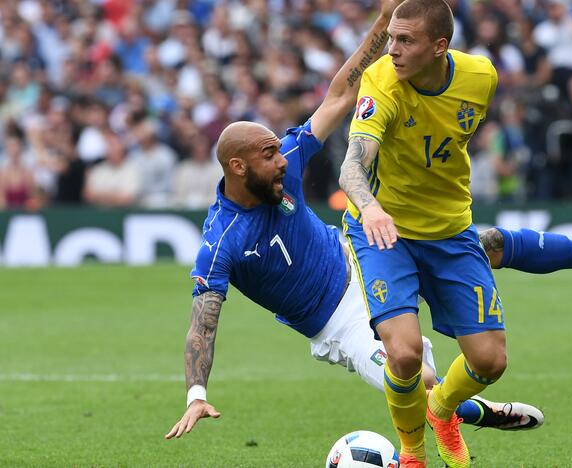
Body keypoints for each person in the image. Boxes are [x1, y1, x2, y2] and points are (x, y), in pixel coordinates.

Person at [164, 0, 547, 442]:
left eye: (277, 150)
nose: (282, 162)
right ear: (237, 167)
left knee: (478, 251)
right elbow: (203, 323)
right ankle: (472, 411)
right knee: (415, 378)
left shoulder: (286, 157)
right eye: (268, 155)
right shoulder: (221, 240)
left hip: (361, 258)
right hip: (334, 322)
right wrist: (196, 393)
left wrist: (384, 22)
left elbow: (341, 95)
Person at [336, 1, 572, 466]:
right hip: (384, 232)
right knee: (404, 354)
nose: (392, 49)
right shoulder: (381, 81)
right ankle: (413, 454)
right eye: (392, 38)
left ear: (440, 47)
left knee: (490, 361)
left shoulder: (481, 77)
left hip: (450, 230)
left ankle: (443, 411)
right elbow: (353, 164)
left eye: (405, 40)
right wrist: (373, 206)